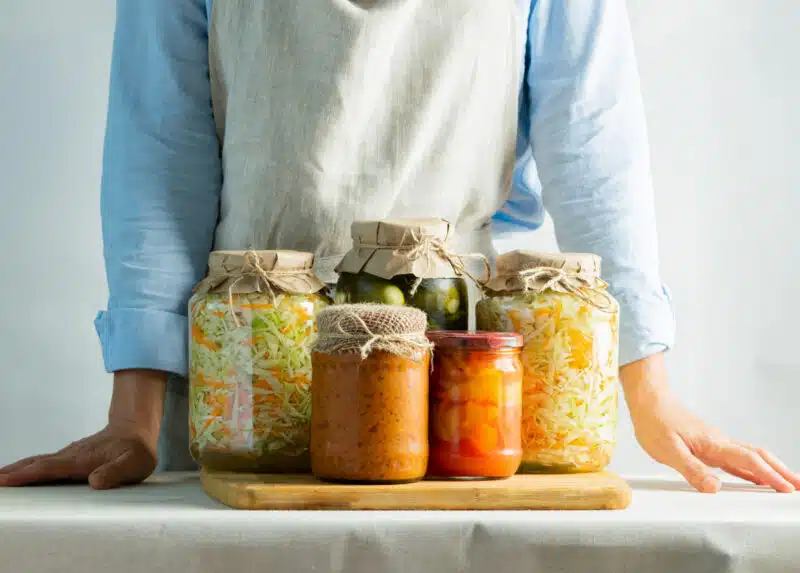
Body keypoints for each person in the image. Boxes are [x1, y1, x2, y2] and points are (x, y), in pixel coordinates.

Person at [1, 0, 797, 494]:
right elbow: (159, 148)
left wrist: (648, 390)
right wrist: (134, 415)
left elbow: (592, 140)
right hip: (245, 387)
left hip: (461, 397)